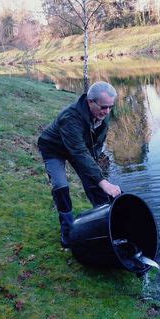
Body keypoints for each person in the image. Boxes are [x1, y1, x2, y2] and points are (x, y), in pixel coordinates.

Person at [38, 81, 121, 248]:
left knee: (95, 185)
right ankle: (67, 231)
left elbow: (95, 146)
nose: (107, 111)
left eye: (110, 107)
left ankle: (108, 225)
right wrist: (103, 180)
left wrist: (97, 177)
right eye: (104, 107)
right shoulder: (70, 117)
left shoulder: (103, 115)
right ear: (90, 102)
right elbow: (79, 152)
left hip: (78, 149)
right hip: (54, 149)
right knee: (61, 187)